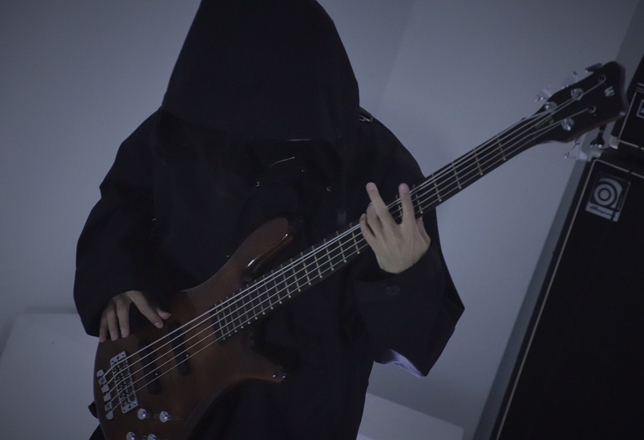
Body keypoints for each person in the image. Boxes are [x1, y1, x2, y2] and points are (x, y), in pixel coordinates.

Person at [74, 0, 464, 438]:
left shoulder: (379, 166)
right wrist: (117, 279)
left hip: (292, 415)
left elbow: (404, 346)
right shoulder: (184, 124)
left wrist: (404, 275)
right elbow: (123, 199)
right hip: (161, 388)